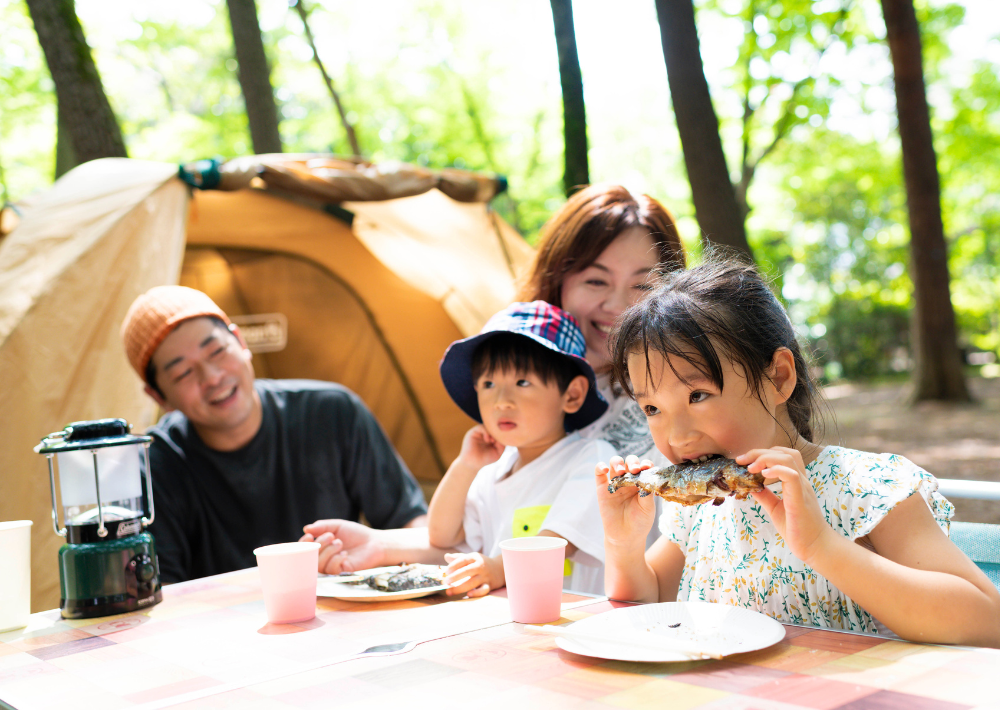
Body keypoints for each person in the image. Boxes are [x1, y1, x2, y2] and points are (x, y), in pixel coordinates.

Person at [596, 258, 1000, 646]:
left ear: (778, 378)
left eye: (698, 395)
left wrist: (822, 546)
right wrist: (623, 545)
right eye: (652, 408)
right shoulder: (699, 510)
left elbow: (987, 620)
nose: (677, 435)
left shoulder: (865, 488)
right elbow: (644, 609)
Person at [303, 183, 688, 572]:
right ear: (558, 282)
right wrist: (380, 545)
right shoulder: (528, 399)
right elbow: (491, 537)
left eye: (643, 285)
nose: (618, 306)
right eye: (596, 281)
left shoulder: (684, 394)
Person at [120, 286, 428, 584]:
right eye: (183, 373)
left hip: (344, 614)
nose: (212, 377)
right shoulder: (153, 467)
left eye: (217, 351)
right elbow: (163, 593)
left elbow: (412, 524)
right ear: (159, 396)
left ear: (240, 341)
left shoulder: (332, 413)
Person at [428, 301, 616, 597]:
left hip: (575, 619)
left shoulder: (593, 460)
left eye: (522, 381)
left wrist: (495, 569)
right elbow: (442, 535)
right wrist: (465, 466)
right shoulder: (492, 472)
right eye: (488, 383)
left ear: (572, 394)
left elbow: (560, 541)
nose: (502, 400)